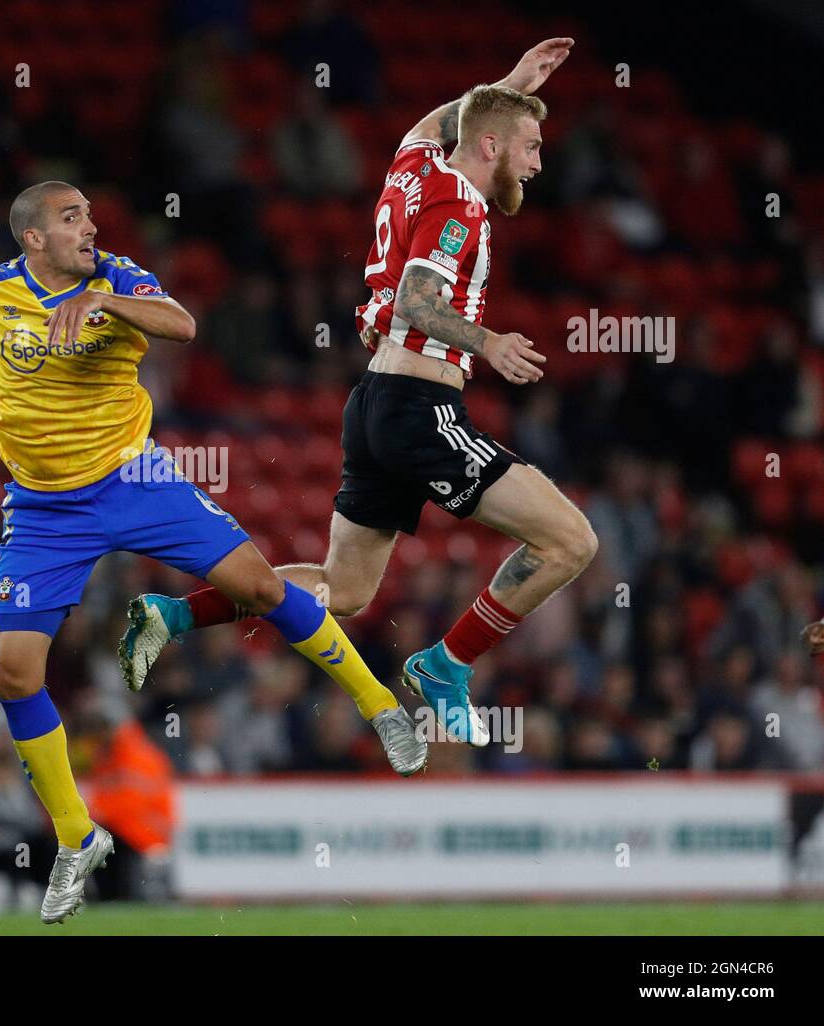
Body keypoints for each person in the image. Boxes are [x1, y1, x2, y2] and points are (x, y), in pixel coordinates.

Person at [0, 181, 425, 922]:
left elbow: (182, 324)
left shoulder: (118, 276)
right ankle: (78, 837)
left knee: (261, 587)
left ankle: (380, 705)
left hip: (134, 479)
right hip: (43, 511)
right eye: (71, 218)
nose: (89, 226)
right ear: (33, 238)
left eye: (90, 215)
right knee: (11, 672)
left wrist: (106, 303)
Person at [121, 38, 597, 747]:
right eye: (530, 145)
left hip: (373, 404)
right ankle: (447, 663)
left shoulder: (414, 169)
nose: (537, 161)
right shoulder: (460, 208)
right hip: (421, 410)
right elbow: (416, 297)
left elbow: (430, 129)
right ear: (490, 145)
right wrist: (488, 342)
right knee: (571, 542)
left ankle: (175, 615)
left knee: (343, 594)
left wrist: (502, 83)